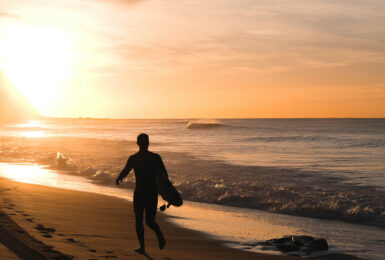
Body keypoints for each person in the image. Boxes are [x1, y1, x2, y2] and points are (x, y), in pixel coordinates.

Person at [116, 133, 166, 254]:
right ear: (146, 143)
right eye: (144, 141)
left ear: (138, 143)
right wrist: (165, 192)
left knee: (141, 220)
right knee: (147, 221)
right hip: (150, 193)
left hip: (142, 193)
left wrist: (119, 178)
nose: (144, 144)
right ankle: (145, 245)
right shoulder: (154, 158)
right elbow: (164, 176)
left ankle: (146, 244)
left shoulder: (137, 158)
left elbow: (125, 170)